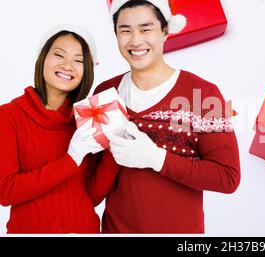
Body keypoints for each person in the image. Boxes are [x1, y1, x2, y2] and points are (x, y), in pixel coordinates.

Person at [95, 0, 241, 233]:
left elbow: (227, 177)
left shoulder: (203, 95)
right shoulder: (105, 93)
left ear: (165, 31)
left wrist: (157, 159)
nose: (135, 40)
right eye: (125, 30)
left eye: (146, 29)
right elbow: (91, 190)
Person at [0, 25, 119, 234]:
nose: (68, 65)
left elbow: (91, 195)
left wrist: (113, 151)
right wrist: (70, 160)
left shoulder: (86, 118)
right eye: (59, 55)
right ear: (42, 58)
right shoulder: (9, 116)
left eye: (79, 60)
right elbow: (6, 191)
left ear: (87, 70)